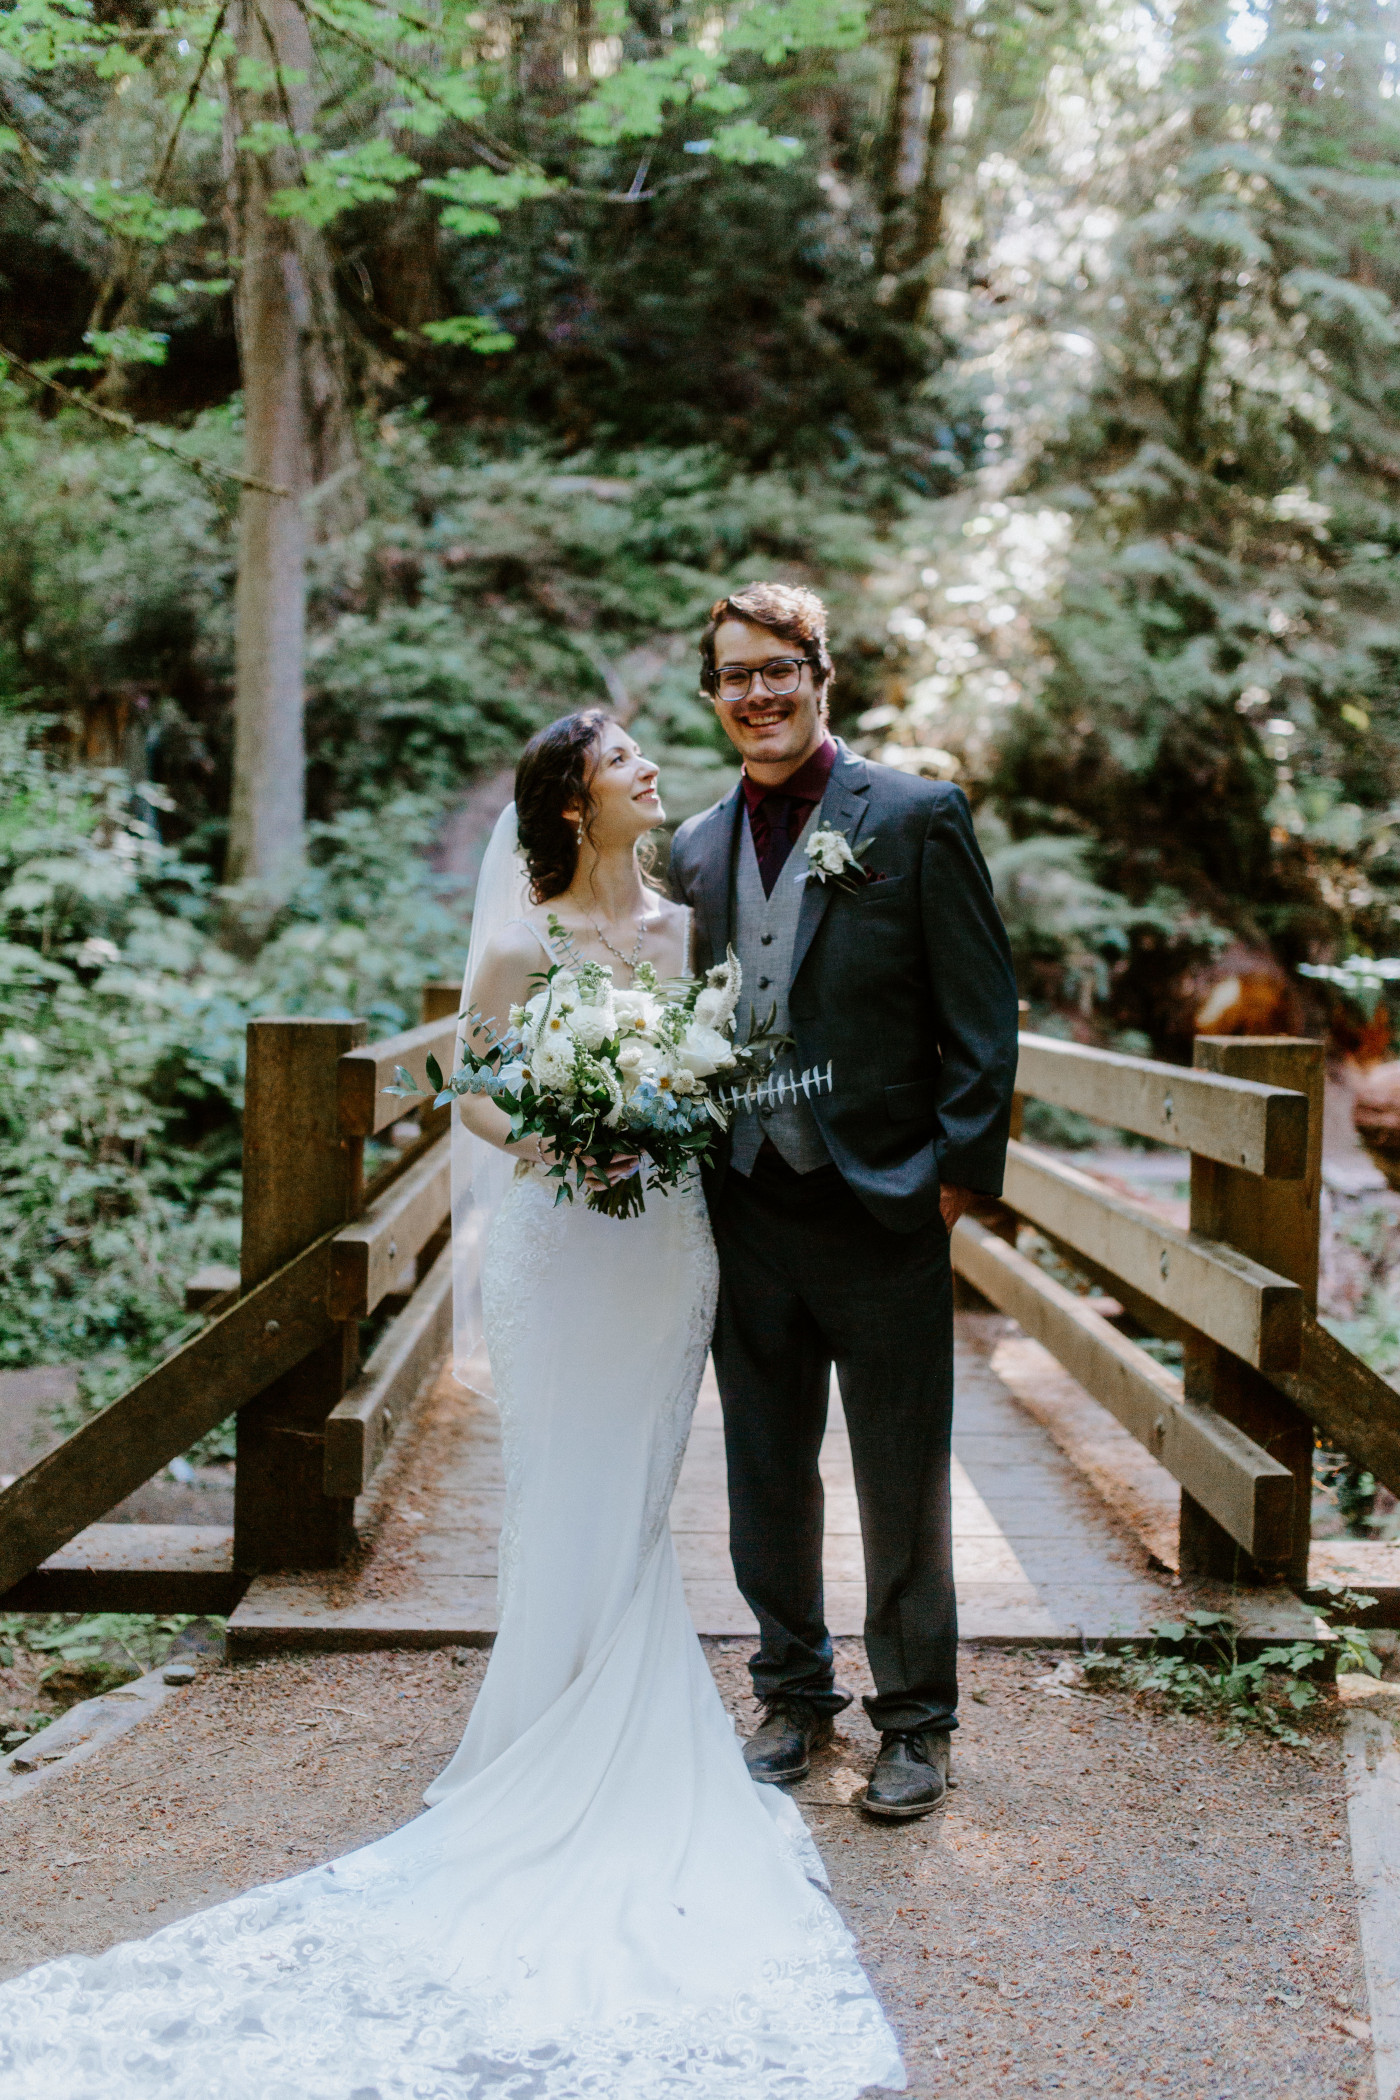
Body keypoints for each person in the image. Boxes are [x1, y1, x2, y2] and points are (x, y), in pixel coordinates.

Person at [0, 707, 905, 2100]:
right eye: (625, 765)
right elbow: (472, 1091)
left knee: (644, 1480)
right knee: (560, 1479)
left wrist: (665, 1114)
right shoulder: (517, 936)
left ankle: (624, 1711)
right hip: (558, 1235)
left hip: (665, 1243)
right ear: (568, 806)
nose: (653, 771)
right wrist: (569, 1133)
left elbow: (724, 1065)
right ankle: (545, 1729)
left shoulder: (675, 930)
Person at [669, 583, 1019, 1821]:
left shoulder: (913, 816)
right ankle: (793, 1694)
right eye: (732, 676)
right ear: (711, 697)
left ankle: (915, 1724)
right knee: (765, 1470)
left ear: (822, 673)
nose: (755, 693)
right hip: (744, 1206)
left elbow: (981, 1015)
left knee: (899, 1478)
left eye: (776, 669)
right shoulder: (694, 848)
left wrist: (955, 1178)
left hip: (882, 1207)